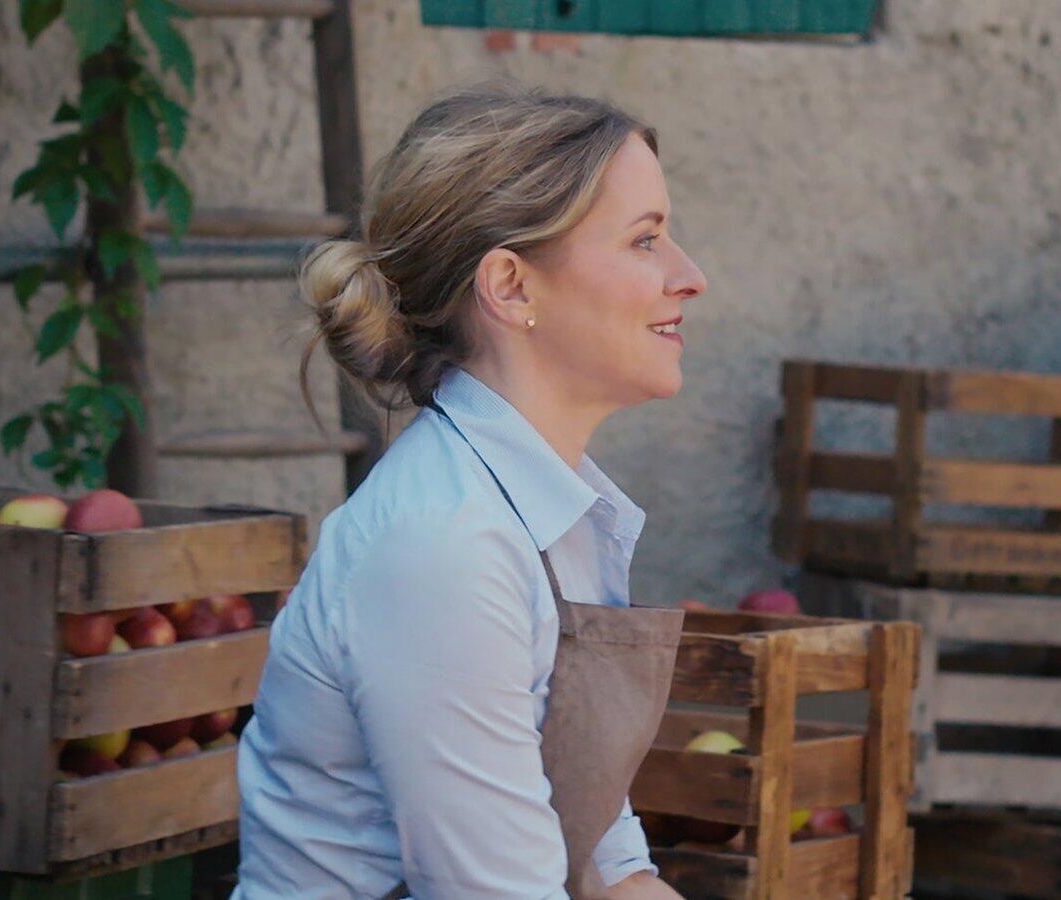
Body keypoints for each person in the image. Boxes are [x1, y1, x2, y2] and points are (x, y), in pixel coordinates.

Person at [232, 82, 707, 899]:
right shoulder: (445, 544)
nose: (690, 276)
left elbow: (610, 865)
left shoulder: (552, 513)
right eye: (645, 240)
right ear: (511, 287)